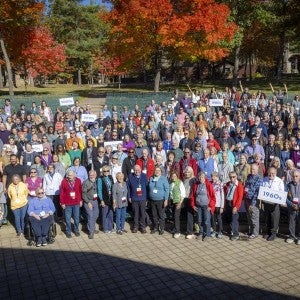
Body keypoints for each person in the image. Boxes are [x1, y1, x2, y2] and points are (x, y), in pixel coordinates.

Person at [190, 172, 216, 241]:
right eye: (199, 177)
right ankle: (201, 233)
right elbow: (192, 196)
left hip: (206, 206)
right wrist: (193, 205)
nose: (201, 178)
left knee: (207, 221)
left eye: (202, 177)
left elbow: (213, 197)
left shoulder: (208, 185)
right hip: (198, 206)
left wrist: (210, 206)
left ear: (205, 178)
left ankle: (207, 234)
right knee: (199, 220)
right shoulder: (196, 185)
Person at [261, 167, 285, 241]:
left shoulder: (279, 181)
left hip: (275, 204)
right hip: (266, 203)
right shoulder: (264, 179)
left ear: (276, 173)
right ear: (267, 172)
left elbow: (281, 193)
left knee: (274, 219)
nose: (271, 175)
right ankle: (268, 232)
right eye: (270, 173)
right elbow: (261, 189)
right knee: (267, 218)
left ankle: (273, 234)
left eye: (273, 173)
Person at [60, 170, 83, 238]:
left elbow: (80, 191)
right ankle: (68, 232)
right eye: (68, 175)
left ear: (74, 175)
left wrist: (81, 200)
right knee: (67, 219)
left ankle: (76, 230)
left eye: (71, 175)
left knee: (76, 218)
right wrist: (62, 203)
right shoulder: (64, 181)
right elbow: (61, 193)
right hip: (67, 203)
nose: (69, 177)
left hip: (76, 203)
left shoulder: (78, 180)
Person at [244, 164, 263, 239]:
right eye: (251, 169)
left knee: (254, 217)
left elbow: (257, 192)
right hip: (247, 199)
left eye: (254, 169)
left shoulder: (259, 178)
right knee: (249, 217)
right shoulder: (249, 176)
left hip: (254, 201)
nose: (252, 170)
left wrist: (252, 203)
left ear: (257, 170)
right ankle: (251, 231)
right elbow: (246, 187)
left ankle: (255, 233)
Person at [223, 171, 244, 240]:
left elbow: (240, 197)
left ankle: (235, 234)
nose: (232, 178)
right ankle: (231, 231)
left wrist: (236, 207)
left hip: (234, 204)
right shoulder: (228, 184)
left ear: (236, 177)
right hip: (228, 202)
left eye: (233, 177)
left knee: (234, 219)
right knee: (229, 218)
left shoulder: (239, 185)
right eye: (230, 177)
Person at [127, 165, 148, 233]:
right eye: (135, 170)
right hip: (134, 198)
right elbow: (128, 188)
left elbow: (147, 187)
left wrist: (147, 198)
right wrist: (129, 197)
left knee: (142, 213)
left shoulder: (144, 176)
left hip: (142, 198)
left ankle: (143, 227)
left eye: (138, 170)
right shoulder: (130, 176)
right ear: (134, 170)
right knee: (135, 213)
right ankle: (136, 226)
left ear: (140, 169)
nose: (137, 171)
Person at [148, 167, 169, 235]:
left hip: (161, 200)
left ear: (161, 171)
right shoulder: (151, 178)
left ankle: (161, 228)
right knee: (154, 215)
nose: (157, 171)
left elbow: (167, 189)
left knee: (161, 215)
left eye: (158, 170)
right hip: (152, 200)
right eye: (156, 170)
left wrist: (166, 200)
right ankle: (155, 228)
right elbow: (149, 188)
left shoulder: (163, 179)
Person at [82, 170, 99, 239]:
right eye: (90, 175)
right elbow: (83, 194)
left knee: (96, 215)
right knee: (90, 216)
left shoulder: (97, 181)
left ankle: (92, 227)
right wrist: (88, 202)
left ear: (95, 175)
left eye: (92, 175)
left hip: (95, 201)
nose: (91, 176)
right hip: (88, 201)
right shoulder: (86, 182)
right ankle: (91, 232)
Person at [97, 165, 115, 233]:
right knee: (104, 214)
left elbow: (113, 187)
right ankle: (105, 228)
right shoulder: (100, 179)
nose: (106, 172)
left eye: (108, 171)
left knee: (110, 213)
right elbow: (99, 190)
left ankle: (111, 227)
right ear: (102, 172)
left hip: (111, 198)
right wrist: (101, 200)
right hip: (104, 199)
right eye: (105, 171)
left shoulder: (110, 177)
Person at [169, 171, 185, 238]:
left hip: (178, 201)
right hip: (172, 201)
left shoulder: (180, 182)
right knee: (173, 216)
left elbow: (183, 193)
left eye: (175, 176)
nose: (173, 177)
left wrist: (180, 203)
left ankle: (177, 232)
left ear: (177, 176)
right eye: (172, 176)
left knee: (176, 216)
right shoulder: (170, 183)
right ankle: (175, 228)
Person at [286, 169, 300, 244]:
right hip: (292, 207)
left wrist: (299, 206)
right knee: (292, 222)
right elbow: (285, 197)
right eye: (293, 176)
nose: (295, 178)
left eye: (296, 176)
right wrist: (292, 205)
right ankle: (291, 236)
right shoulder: (288, 185)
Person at [211, 172, 224, 239]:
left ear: (217, 177)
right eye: (212, 176)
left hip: (219, 204)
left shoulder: (220, 184)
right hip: (213, 205)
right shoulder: (211, 184)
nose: (213, 178)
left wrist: (222, 206)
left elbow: (222, 195)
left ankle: (220, 231)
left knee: (219, 218)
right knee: (213, 218)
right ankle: (214, 230)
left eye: (214, 176)